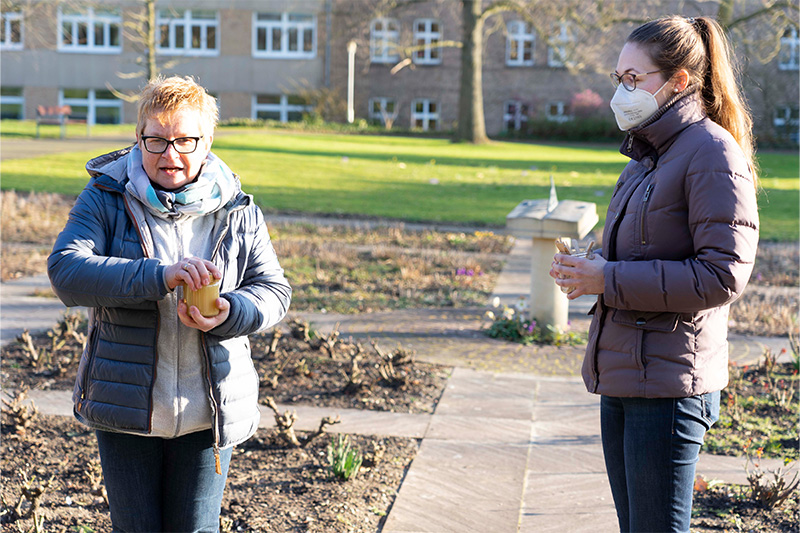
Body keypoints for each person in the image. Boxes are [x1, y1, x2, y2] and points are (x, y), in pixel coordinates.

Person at [48, 76, 292, 532]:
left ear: (208, 140)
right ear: (138, 137)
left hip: (208, 409)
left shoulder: (238, 208)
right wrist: (158, 276)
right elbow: (66, 270)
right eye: (156, 140)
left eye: (184, 140)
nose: (170, 154)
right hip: (127, 408)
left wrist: (229, 313)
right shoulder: (106, 197)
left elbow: (274, 291)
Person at [549, 16, 759, 533]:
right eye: (617, 78)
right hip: (625, 374)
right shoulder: (646, 156)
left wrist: (609, 279)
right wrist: (589, 267)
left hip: (668, 386)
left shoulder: (711, 152)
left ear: (679, 82)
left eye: (632, 79)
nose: (621, 91)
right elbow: (642, 249)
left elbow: (722, 275)